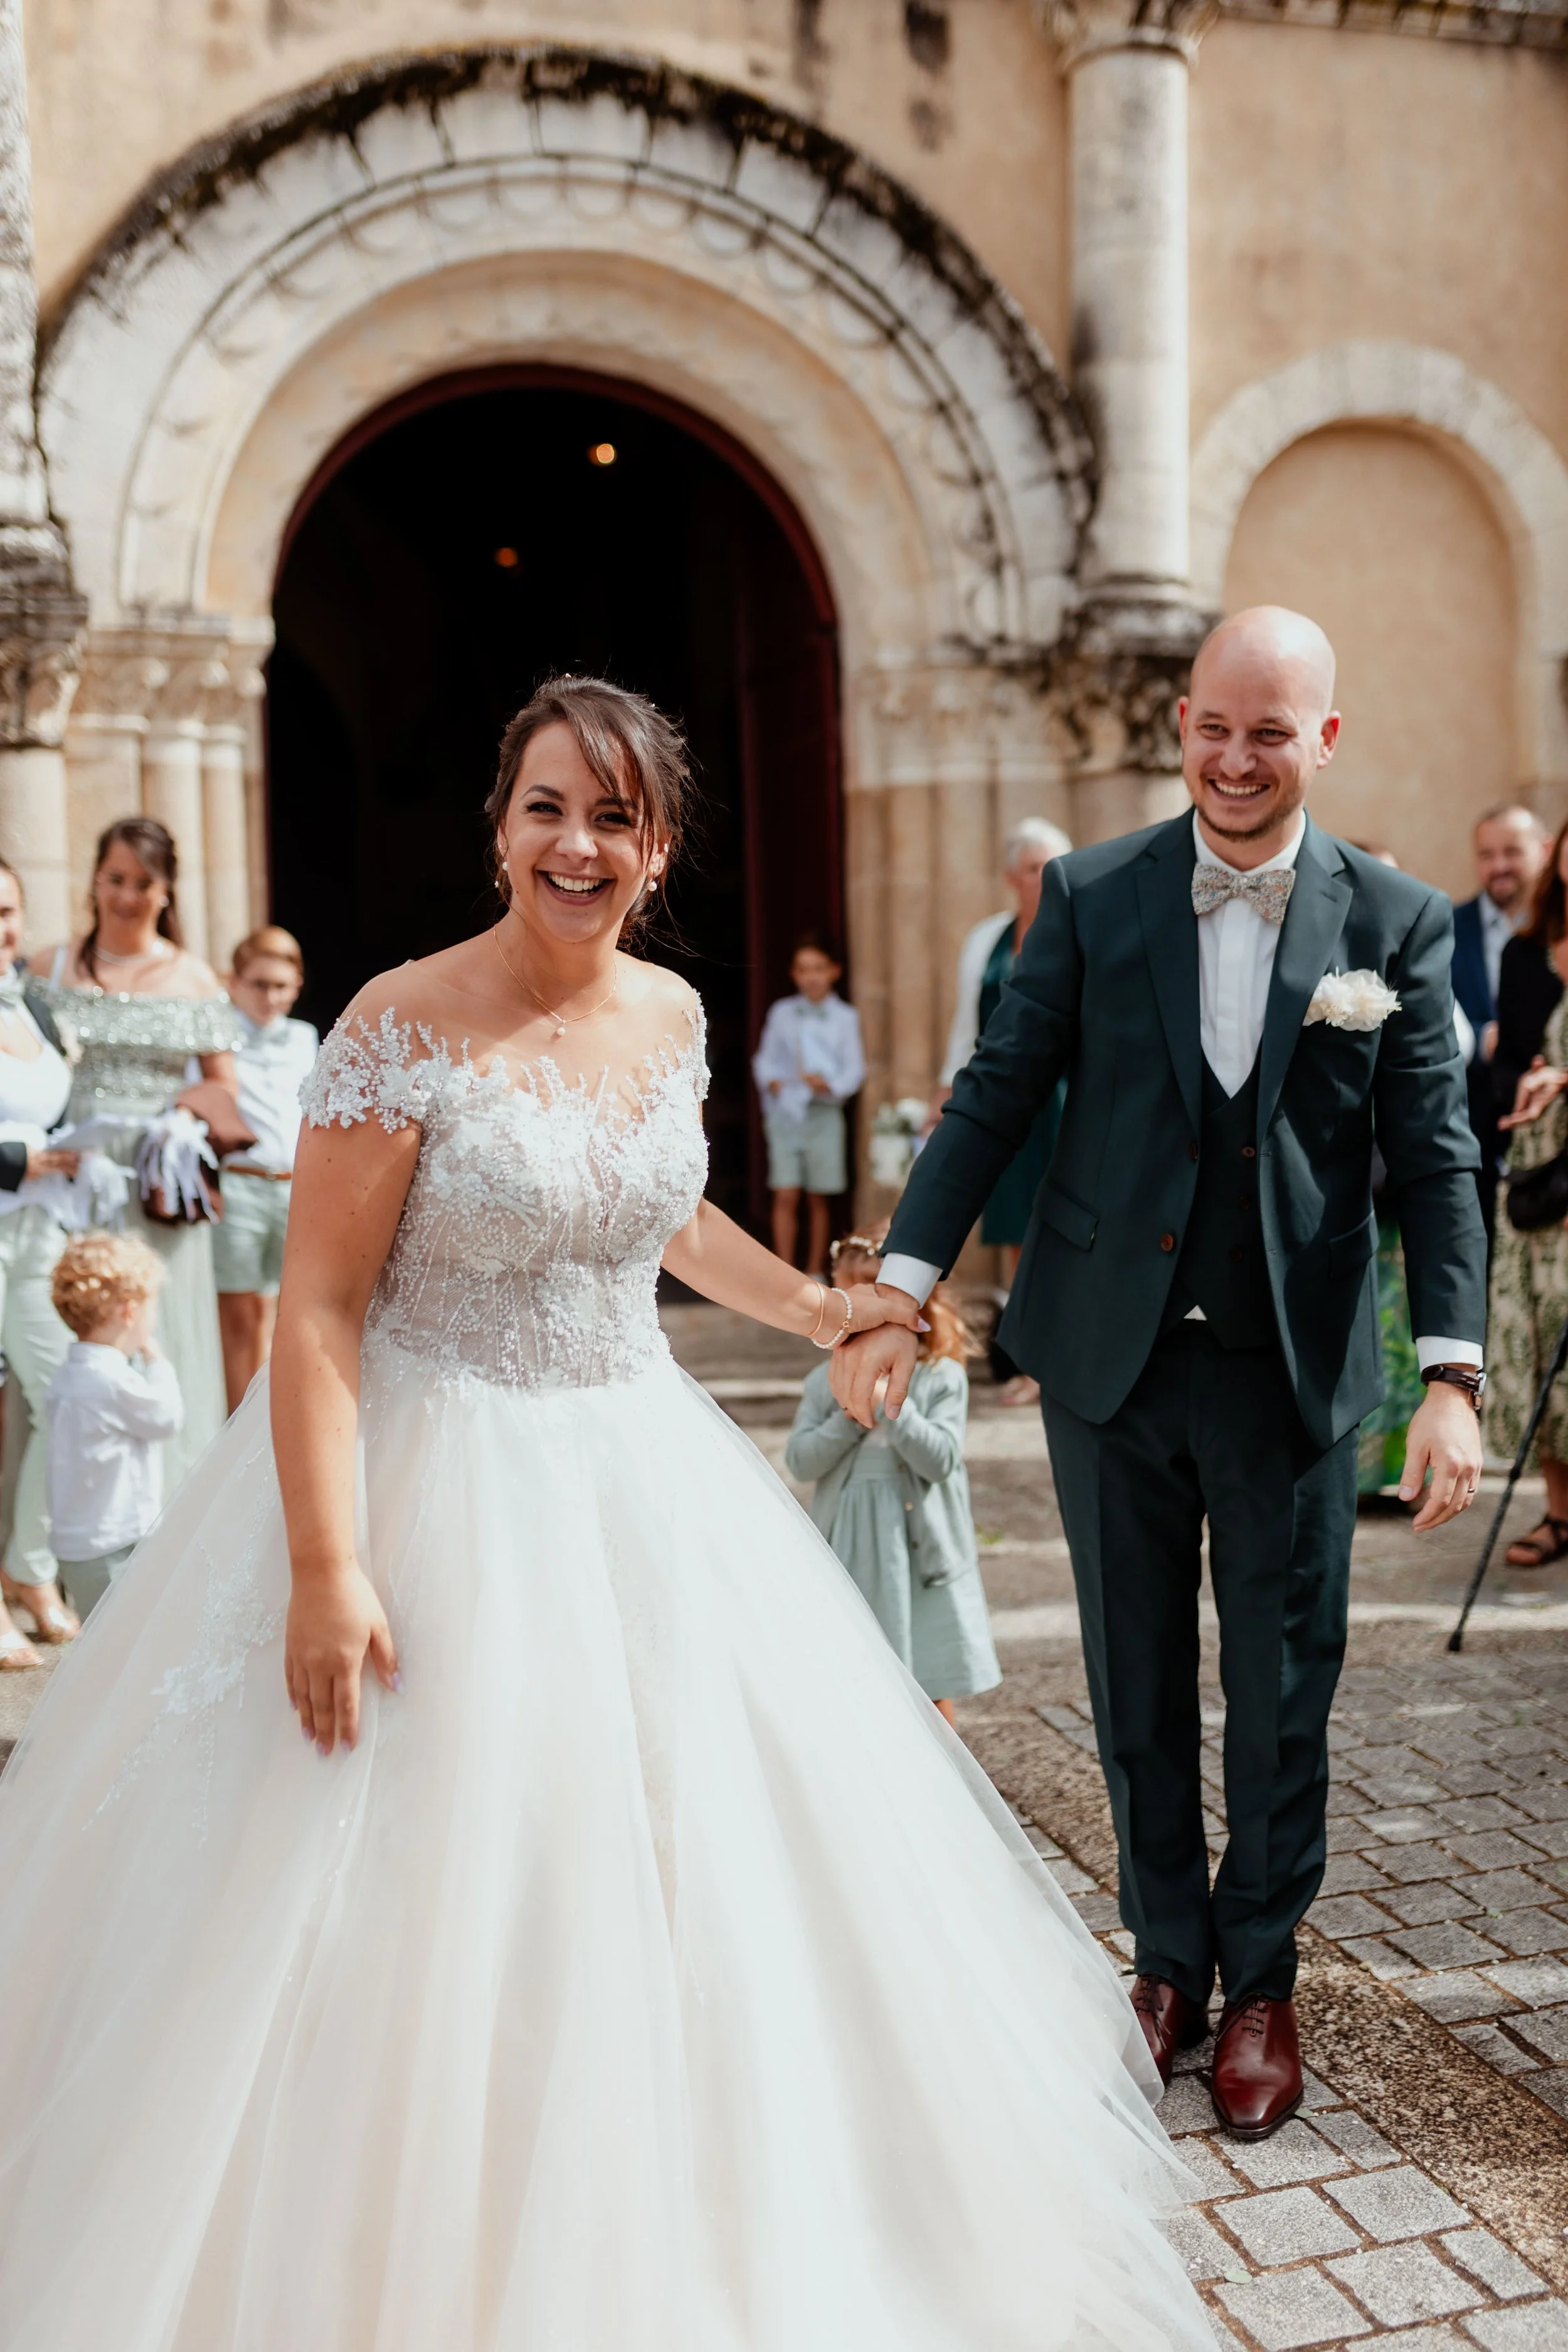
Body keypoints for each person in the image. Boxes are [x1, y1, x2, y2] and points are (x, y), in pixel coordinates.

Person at [0, 676, 1210, 2352]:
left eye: (617, 815)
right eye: (550, 806)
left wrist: (819, 1308)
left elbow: (666, 1219)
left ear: (656, 845)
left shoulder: (668, 1013)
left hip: (643, 1471)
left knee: (693, 1865)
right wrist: (331, 1563)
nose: (581, 842)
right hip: (435, 1480)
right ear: (499, 823)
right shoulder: (394, 1021)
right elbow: (326, 1313)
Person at [838, 607, 1488, 2142]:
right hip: (1106, 1363)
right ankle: (1166, 1961)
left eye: (1273, 730)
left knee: (1280, 1694)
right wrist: (898, 1290)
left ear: (1321, 739)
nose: (1238, 756)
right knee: (1134, 1681)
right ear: (1181, 722)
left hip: (1293, 1371)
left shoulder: (1393, 920)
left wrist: (1450, 1369)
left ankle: (1262, 1980)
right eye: (1215, 724)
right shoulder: (1088, 893)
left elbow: (1436, 1153)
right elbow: (995, 1094)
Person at [31, 817, 240, 1492]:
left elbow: (221, 1086)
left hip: (156, 1176)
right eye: (115, 879)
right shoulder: (50, 967)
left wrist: (183, 1118)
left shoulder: (193, 977)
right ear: (95, 881)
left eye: (142, 883)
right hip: (73, 1172)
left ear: (166, 891)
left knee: (160, 1323)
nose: (126, 896)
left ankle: (172, 1505)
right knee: (67, 1333)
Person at [785, 1223, 1000, 1723]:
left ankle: (944, 1778)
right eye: (852, 1288)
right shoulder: (825, 1380)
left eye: (877, 1287)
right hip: (851, 1543)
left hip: (914, 1549)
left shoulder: (942, 1374)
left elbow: (941, 1458)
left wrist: (887, 1403)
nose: (864, 1302)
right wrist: (849, 1416)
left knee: (924, 1676)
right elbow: (800, 1460)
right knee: (856, 1674)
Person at [931, 817, 1073, 1407]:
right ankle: (1029, 1358)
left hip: (1068, 1099)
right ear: (1012, 876)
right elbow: (968, 1019)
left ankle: (1060, 1364)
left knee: (1066, 1227)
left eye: (1057, 865)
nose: (1049, 878)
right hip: (1009, 1102)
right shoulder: (986, 939)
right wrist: (946, 1093)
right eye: (1038, 868)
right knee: (1017, 1231)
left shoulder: (1081, 929)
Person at [0, 861, 84, 1671]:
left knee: (60, 1396)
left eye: (8, 911)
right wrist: (16, 1158)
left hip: (38, 1235)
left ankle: (28, 1569)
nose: (2, 929)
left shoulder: (32, 1001)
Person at [45, 1231, 184, 1623]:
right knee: (125, 1639)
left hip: (79, 1546)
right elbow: (166, 1417)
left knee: (101, 1640)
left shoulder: (71, 1373)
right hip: (115, 1542)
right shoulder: (111, 1380)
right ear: (129, 1312)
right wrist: (157, 1362)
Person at [214, 925, 319, 1412]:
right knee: (239, 1314)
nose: (270, 997)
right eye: (259, 984)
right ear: (235, 983)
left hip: (295, 1187)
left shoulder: (305, 1037)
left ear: (296, 986)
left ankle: (274, 1420)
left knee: (284, 1311)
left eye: (280, 986)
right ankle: (238, 1418)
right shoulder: (219, 1036)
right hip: (240, 1184)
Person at [1452, 804, 1549, 1234]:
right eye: (1487, 855)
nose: (1499, 866)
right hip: (1473, 1122)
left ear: (1546, 850)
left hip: (1549, 1116)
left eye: (1512, 851)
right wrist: (1478, 1038)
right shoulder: (1446, 927)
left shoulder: (1558, 931)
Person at [751, 935, 864, 1275]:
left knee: (818, 1197)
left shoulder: (845, 1017)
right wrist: (772, 1080)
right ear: (794, 974)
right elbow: (764, 1059)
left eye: (818, 968)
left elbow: (855, 1068)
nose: (812, 977)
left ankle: (814, 1271)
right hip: (787, 1112)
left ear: (834, 971)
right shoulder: (782, 1013)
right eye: (804, 970)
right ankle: (784, 1271)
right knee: (786, 1193)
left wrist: (830, 1085)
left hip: (824, 1114)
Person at [1491, 813, 1568, 1167]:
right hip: (1535, 1168)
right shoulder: (1522, 954)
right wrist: (1529, 1082)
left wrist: (1562, 1082)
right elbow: (1505, 1061)